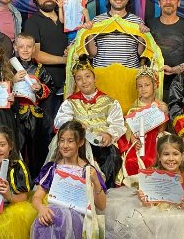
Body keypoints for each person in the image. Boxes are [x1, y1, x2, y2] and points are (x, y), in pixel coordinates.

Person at [29, 121, 107, 239]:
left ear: (80, 143)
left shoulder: (88, 170)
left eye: (70, 141)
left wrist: (95, 181)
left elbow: (102, 204)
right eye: (62, 140)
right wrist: (41, 208)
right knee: (50, 215)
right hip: (55, 212)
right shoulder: (53, 168)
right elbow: (36, 197)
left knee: (69, 218)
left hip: (79, 216)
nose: (65, 145)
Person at [54, 54, 124, 186]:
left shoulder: (110, 102)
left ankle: (103, 188)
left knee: (114, 156)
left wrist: (109, 134)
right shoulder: (70, 102)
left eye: (87, 76)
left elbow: (118, 123)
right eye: (79, 79)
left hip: (101, 143)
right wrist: (75, 125)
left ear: (94, 78)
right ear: (76, 82)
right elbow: (60, 121)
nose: (84, 81)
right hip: (79, 143)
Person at [23, 0, 69, 123]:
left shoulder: (67, 17)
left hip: (71, 83)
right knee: (49, 128)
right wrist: (65, 60)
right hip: (47, 86)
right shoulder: (33, 22)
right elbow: (36, 54)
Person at [116, 57, 168, 183]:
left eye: (147, 85)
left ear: (154, 86)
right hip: (138, 140)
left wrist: (165, 112)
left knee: (155, 159)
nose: (143, 88)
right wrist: (134, 140)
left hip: (155, 139)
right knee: (132, 161)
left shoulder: (160, 105)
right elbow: (129, 128)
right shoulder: (134, 107)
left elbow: (162, 129)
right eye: (140, 86)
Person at [12, 33, 55, 178]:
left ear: (33, 49)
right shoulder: (9, 67)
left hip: (35, 116)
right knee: (17, 146)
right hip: (16, 115)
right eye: (21, 46)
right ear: (15, 47)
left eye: (29, 47)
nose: (25, 50)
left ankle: (36, 178)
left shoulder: (39, 68)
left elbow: (50, 87)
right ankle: (18, 178)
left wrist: (40, 88)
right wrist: (12, 80)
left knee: (36, 149)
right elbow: (1, 87)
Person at [86, 0, 146, 68]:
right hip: (101, 74)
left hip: (130, 75)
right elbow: (91, 54)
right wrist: (89, 32)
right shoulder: (97, 21)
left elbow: (141, 53)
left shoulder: (137, 21)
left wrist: (143, 35)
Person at [146, 0, 184, 101]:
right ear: (159, 3)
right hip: (152, 87)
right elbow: (141, 54)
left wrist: (174, 69)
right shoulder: (148, 25)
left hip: (179, 88)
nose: (168, 1)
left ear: (179, 2)